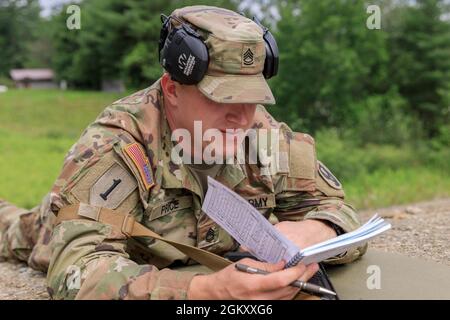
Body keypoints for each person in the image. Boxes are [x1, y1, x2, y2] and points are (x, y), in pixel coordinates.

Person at [0, 5, 366, 300]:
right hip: (55, 228)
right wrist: (207, 291)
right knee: (12, 228)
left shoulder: (263, 133)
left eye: (252, 99)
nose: (242, 116)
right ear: (172, 89)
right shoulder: (118, 144)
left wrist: (317, 230)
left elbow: (335, 207)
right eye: (223, 98)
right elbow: (76, 270)